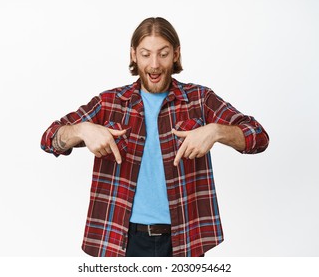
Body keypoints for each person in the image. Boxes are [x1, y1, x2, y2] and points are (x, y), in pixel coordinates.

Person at [40, 17, 269, 257]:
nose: (154, 65)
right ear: (133, 55)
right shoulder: (110, 103)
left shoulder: (200, 100)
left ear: (176, 54)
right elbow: (49, 139)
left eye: (163, 54)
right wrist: (82, 130)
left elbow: (259, 137)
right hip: (120, 240)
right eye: (146, 54)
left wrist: (216, 131)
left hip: (185, 240)